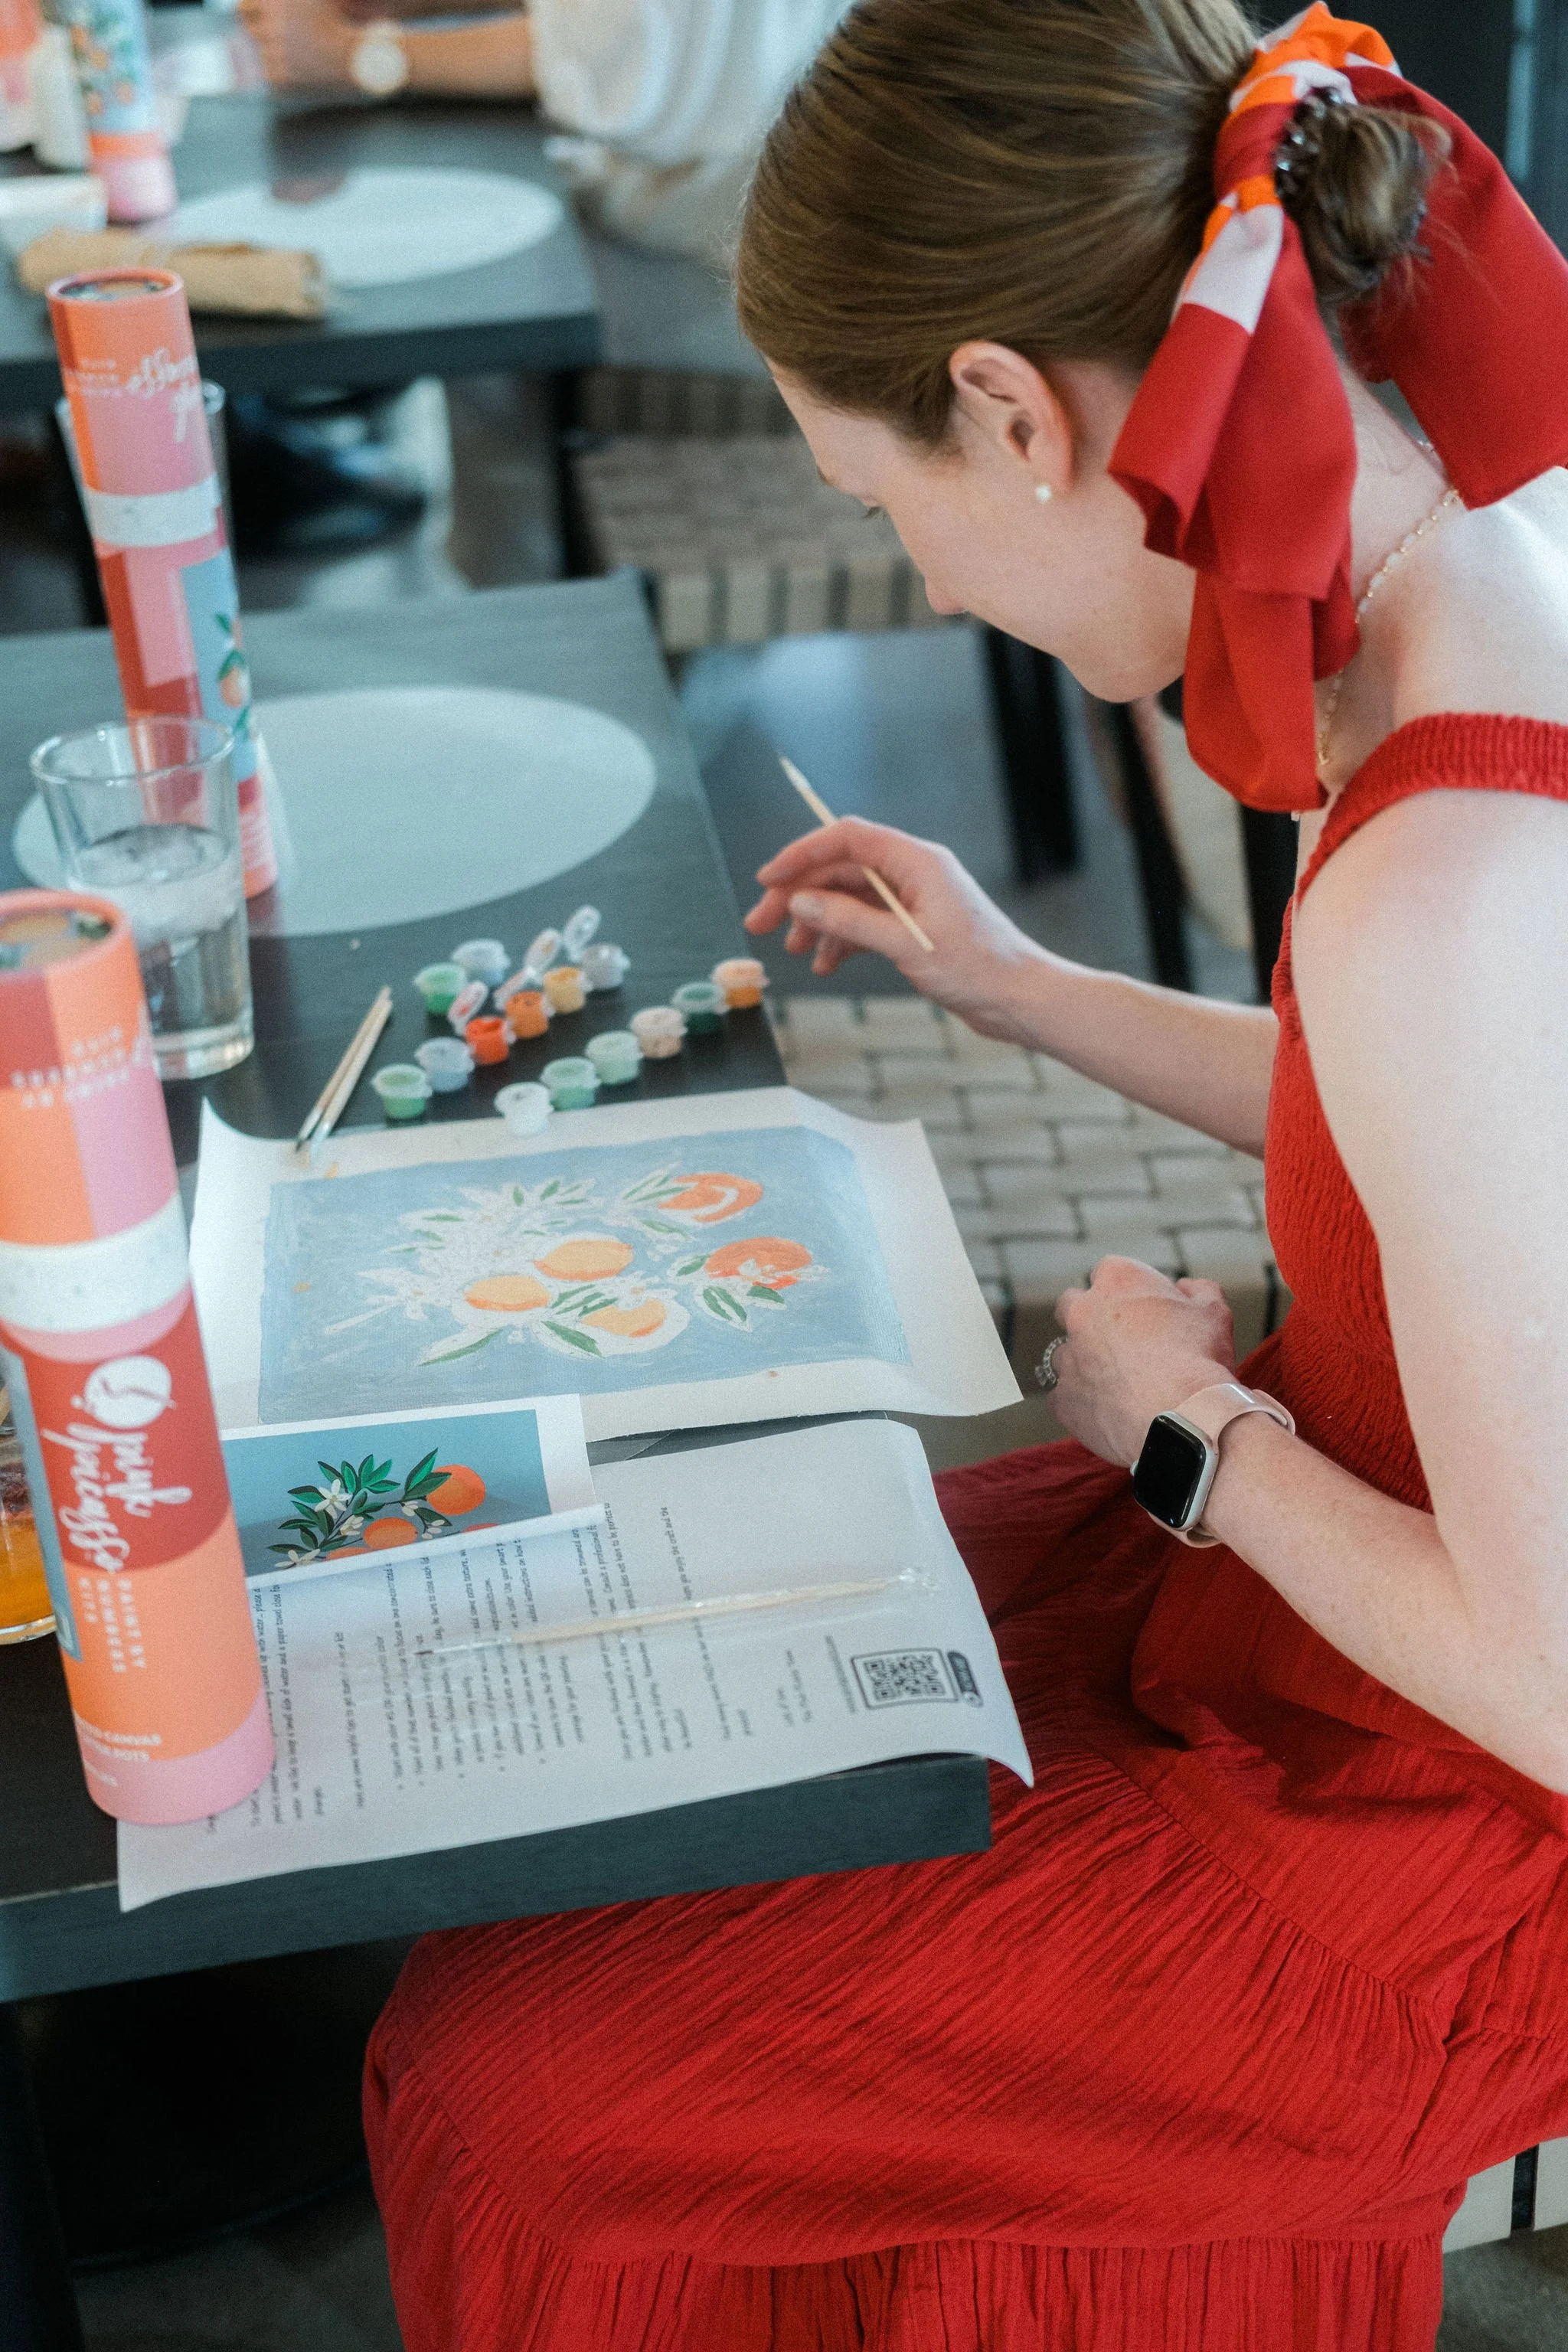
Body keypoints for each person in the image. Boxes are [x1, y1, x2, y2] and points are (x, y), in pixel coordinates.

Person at [363, 5, 1568, 2345]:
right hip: (1336, 1638)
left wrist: (1181, 1433)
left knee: (507, 2075)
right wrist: (1024, 984)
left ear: (1012, 412)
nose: (920, 587)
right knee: (689, 1672)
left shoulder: (1444, 883)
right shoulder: (1482, 575)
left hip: (1431, 1846)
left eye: (890, 501)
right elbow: (1443, 1156)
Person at [237, 0, 848, 255]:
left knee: (463, 264)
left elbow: (621, 52)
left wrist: (349, 54)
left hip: (721, 228)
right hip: (698, 169)